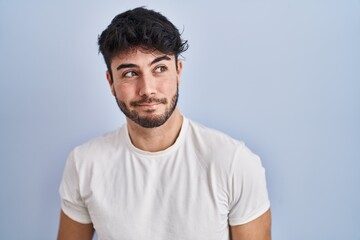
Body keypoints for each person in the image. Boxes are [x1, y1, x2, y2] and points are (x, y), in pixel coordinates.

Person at [57, 7, 271, 240]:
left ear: (178, 71)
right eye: (130, 73)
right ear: (111, 82)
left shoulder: (233, 163)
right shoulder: (84, 164)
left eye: (160, 69)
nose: (147, 89)